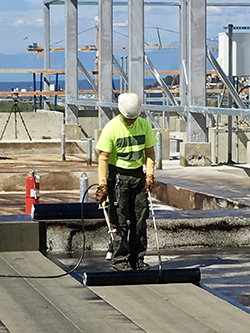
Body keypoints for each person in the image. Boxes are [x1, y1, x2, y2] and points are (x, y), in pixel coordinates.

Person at [95, 92, 157, 272]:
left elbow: (150, 153)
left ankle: (137, 258)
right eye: (127, 119)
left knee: (140, 219)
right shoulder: (111, 128)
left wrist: (149, 176)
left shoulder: (144, 126)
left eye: (133, 119)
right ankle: (120, 259)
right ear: (120, 112)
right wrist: (103, 186)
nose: (130, 122)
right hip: (118, 178)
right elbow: (103, 159)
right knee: (120, 219)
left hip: (137, 176)